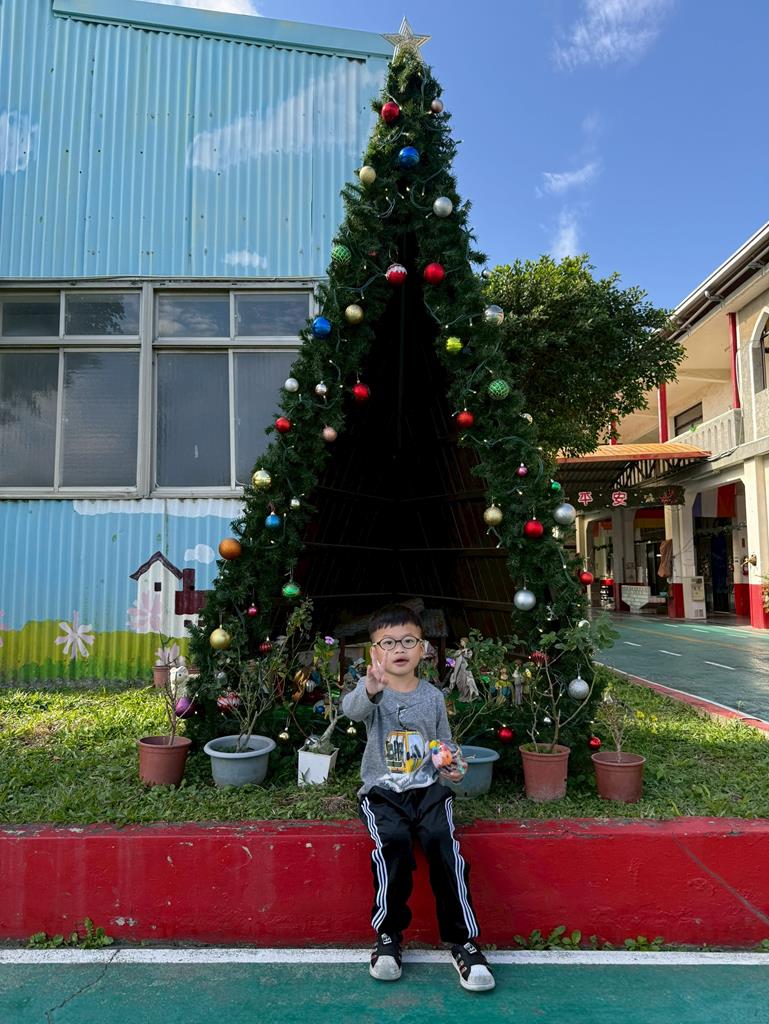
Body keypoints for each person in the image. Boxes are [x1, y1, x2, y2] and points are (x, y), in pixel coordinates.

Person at [341, 604, 495, 993]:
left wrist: (453, 764)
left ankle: (463, 941)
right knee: (392, 842)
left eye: (408, 641)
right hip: (383, 792)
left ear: (423, 648)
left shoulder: (432, 696)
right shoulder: (373, 693)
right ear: (375, 651)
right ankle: (388, 937)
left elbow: (442, 744)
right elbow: (352, 711)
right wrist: (369, 688)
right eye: (388, 643)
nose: (399, 649)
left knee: (442, 842)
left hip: (427, 789)